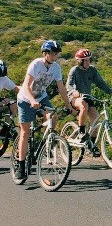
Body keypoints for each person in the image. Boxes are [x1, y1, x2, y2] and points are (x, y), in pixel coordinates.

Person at [14, 40, 76, 180]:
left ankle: (48, 143)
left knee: (53, 116)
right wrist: (32, 100)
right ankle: (21, 165)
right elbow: (26, 86)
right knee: (25, 132)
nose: (55, 56)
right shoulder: (36, 64)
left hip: (41, 97)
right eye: (53, 53)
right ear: (45, 54)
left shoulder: (56, 68)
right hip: (25, 98)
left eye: (56, 54)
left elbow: (61, 88)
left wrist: (69, 105)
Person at [66, 48, 112, 154]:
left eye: (89, 60)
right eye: (85, 60)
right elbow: (69, 85)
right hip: (74, 97)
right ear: (80, 61)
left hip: (87, 97)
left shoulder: (92, 70)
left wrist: (111, 92)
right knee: (83, 106)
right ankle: (81, 132)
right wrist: (74, 92)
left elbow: (100, 83)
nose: (88, 62)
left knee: (95, 119)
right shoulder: (74, 70)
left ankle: (91, 146)